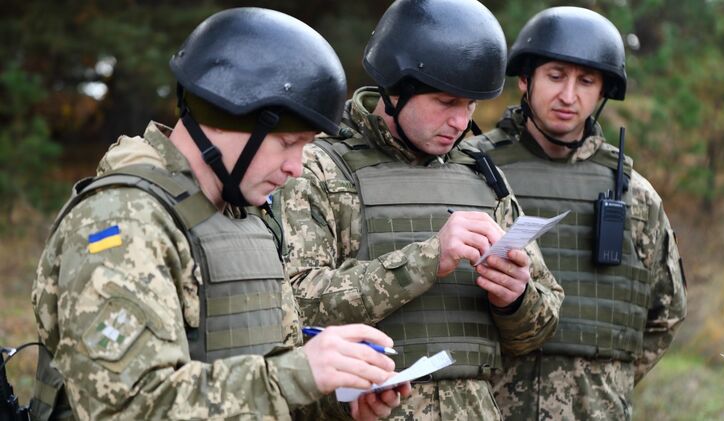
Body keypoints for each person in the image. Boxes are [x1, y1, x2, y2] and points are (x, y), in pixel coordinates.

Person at [28, 8, 410, 420]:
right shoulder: (123, 220)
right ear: (227, 117)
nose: (297, 168)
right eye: (287, 143)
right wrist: (299, 374)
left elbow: (255, 375)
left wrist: (335, 398)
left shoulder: (245, 217)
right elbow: (129, 407)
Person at [274, 0, 564, 419]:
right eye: (446, 102)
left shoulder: (482, 175)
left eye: (470, 106)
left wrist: (515, 299)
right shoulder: (315, 167)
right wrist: (427, 259)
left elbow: (537, 332)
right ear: (397, 86)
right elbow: (293, 310)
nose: (461, 122)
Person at [467, 6, 688, 420]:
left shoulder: (635, 196)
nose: (569, 96)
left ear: (602, 91)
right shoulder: (469, 171)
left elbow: (667, 312)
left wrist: (607, 384)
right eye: (555, 76)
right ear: (525, 80)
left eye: (586, 81)